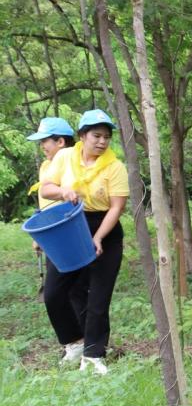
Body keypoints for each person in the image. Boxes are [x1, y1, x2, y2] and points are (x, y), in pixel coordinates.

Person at [39, 109, 127, 375]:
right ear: (82, 136)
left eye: (106, 137)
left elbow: (116, 207)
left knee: (98, 295)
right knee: (54, 292)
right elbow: (46, 188)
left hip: (104, 229)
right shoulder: (65, 157)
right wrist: (63, 191)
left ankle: (93, 355)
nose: (102, 142)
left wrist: (98, 237)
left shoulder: (115, 167)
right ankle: (74, 342)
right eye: (96, 136)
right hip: (69, 225)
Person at [27, 117, 88, 361]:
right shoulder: (46, 166)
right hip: (52, 234)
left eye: (46, 141)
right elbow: (45, 202)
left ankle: (78, 344)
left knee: (57, 293)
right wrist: (39, 235)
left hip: (70, 234)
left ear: (61, 141)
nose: (43, 145)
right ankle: (84, 344)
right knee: (72, 291)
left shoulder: (75, 161)